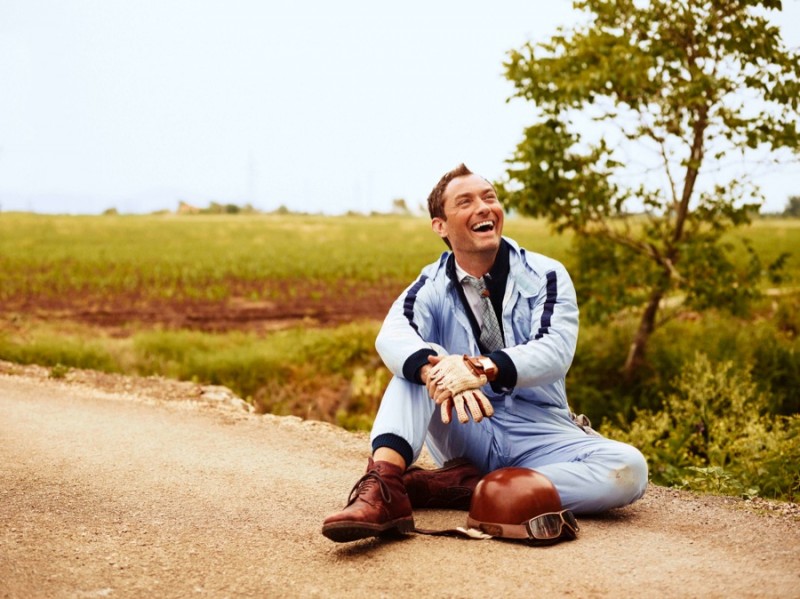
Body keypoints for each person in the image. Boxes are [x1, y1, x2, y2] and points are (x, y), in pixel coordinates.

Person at [322, 164, 648, 543]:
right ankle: (385, 490)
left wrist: (481, 367)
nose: (484, 207)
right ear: (440, 225)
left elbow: (556, 350)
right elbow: (393, 334)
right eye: (466, 201)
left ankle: (464, 488)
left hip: (540, 429)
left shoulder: (546, 274)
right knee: (417, 364)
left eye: (489, 197)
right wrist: (440, 370)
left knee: (628, 469)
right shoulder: (430, 283)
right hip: (467, 425)